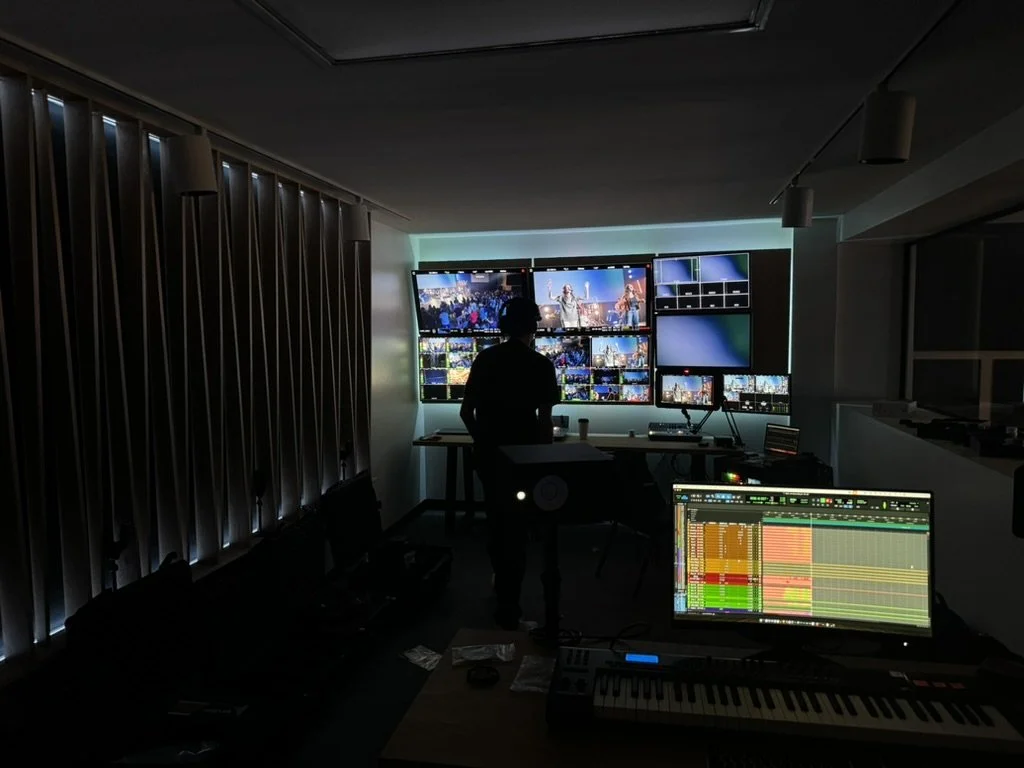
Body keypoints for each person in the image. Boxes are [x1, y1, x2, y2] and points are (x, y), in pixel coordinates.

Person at [460, 297, 559, 629]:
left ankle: (502, 591)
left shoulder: (485, 359)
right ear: (533, 328)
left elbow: (466, 413)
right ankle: (512, 604)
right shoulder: (541, 365)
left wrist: (483, 443)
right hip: (524, 462)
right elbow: (544, 421)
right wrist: (543, 460)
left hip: (490, 460)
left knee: (497, 523)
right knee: (519, 529)